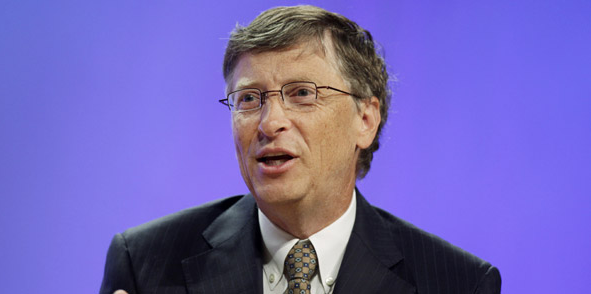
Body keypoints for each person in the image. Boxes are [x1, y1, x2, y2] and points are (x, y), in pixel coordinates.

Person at [100, 5, 501, 294]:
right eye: (249, 99)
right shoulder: (144, 264)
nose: (269, 122)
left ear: (365, 118)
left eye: (302, 93)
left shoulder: (458, 282)